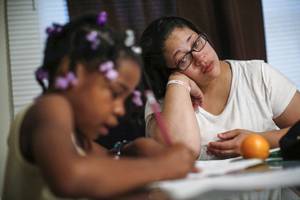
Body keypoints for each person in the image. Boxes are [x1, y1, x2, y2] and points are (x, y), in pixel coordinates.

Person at [3, 13, 196, 200]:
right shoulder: (50, 108)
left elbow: (103, 162)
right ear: (70, 70)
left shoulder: (77, 138)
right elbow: (71, 177)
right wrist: (162, 166)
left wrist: (130, 150)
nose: (120, 110)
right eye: (114, 93)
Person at [140, 16, 300, 160]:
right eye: (183, 59)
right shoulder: (163, 102)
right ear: (167, 72)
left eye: (196, 43)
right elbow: (181, 154)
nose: (199, 57)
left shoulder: (257, 75)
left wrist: (259, 140)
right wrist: (178, 80)